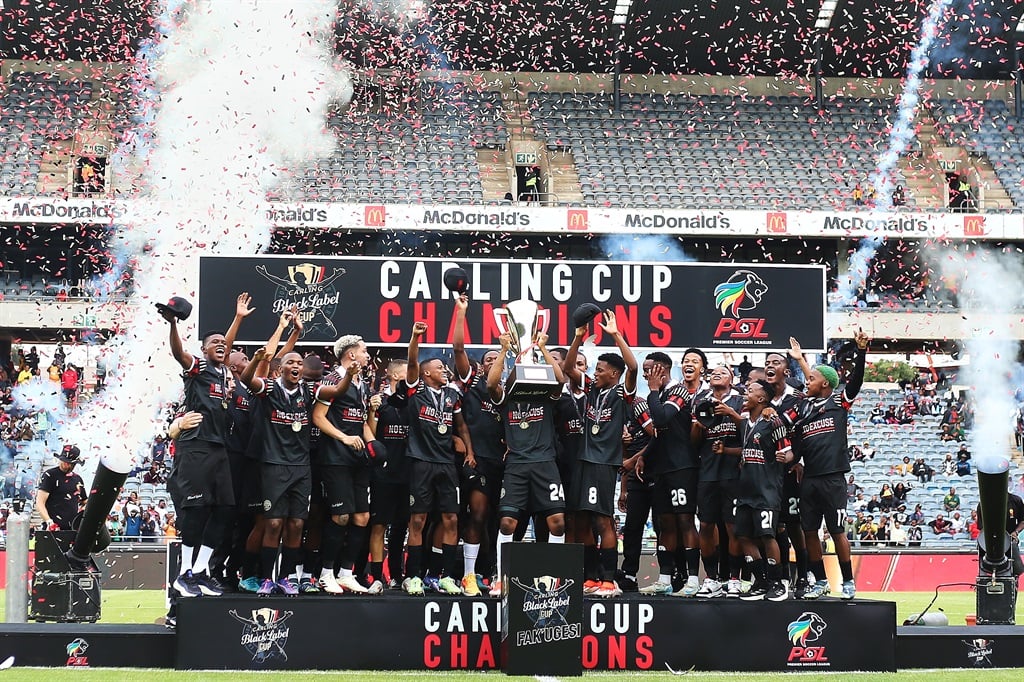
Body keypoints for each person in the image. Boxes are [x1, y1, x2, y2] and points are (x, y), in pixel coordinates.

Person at [782, 330, 868, 600]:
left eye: (812, 379)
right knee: (810, 531)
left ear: (826, 385)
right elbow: (814, 380)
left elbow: (854, 381)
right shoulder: (805, 407)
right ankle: (819, 580)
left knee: (838, 530)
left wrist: (861, 352)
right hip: (809, 479)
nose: (808, 382)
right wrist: (801, 360)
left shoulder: (839, 401)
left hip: (833, 478)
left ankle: (848, 581)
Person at [161, 301, 237, 598]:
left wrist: (237, 318)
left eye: (224, 343)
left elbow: (226, 343)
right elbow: (179, 353)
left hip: (219, 448)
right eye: (215, 343)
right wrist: (173, 324)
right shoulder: (199, 367)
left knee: (225, 509)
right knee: (196, 509)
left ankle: (201, 570)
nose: (222, 345)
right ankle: (183, 575)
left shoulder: (225, 374)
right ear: (204, 350)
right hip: (195, 446)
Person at [562, 310, 638, 598]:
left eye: (600, 369)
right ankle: (591, 577)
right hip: (583, 460)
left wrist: (616, 335)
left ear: (613, 374)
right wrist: (577, 338)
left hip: (604, 462)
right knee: (580, 520)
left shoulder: (621, 393)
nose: (595, 373)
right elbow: (569, 368)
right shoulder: (592, 389)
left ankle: (609, 580)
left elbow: (633, 367)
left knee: (602, 520)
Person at [487, 327, 568, 596]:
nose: (521, 373)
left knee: (557, 522)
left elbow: (560, 380)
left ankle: (556, 577)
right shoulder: (506, 398)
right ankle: (501, 578)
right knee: (507, 523)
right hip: (517, 466)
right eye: (517, 368)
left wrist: (543, 349)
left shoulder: (545, 397)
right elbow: (490, 384)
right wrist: (502, 350)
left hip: (545, 463)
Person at [241, 311, 315, 595]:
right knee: (273, 523)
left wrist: (294, 331)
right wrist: (262, 355)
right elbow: (251, 378)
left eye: (299, 362)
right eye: (290, 362)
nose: (296, 365)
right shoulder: (269, 388)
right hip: (272, 465)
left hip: (301, 467)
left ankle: (287, 578)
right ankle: (265, 577)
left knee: (296, 523)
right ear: (279, 369)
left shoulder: (309, 392)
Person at [400, 321, 475, 596]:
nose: (444, 371)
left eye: (444, 369)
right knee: (418, 520)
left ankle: (443, 576)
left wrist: (468, 450)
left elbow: (462, 426)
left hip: (446, 464)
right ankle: (414, 576)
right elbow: (411, 363)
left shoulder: (452, 396)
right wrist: (415, 337)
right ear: (426, 373)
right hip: (420, 461)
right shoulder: (416, 391)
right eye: (439, 369)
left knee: (451, 520)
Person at [451, 294, 506, 595]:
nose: (491, 362)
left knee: (502, 521)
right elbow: (459, 348)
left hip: (506, 464)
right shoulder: (474, 384)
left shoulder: (509, 391)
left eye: (497, 358)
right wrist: (461, 313)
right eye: (487, 359)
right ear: (481, 367)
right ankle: (469, 575)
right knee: (477, 514)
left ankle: (495, 573)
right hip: (478, 460)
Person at [642, 348, 707, 597]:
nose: (647, 373)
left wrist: (654, 390)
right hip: (662, 468)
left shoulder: (677, 391)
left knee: (685, 521)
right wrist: (644, 457)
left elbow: (661, 419)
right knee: (665, 523)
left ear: (662, 369)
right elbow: (659, 434)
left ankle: (692, 579)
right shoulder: (658, 394)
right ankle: (665, 578)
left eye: (650, 369)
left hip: (683, 466)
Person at [734, 379, 792, 601]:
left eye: (749, 391)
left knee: (767, 536)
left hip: (766, 490)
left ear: (761, 398)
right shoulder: (744, 423)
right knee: (743, 535)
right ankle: (760, 581)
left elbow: (787, 451)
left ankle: (777, 583)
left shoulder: (773, 421)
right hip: (745, 490)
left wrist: (783, 457)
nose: (744, 394)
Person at [691, 364, 745, 598]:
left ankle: (734, 578)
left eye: (723, 372)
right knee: (705, 526)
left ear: (731, 380)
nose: (716, 374)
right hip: (707, 473)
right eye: (713, 372)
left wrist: (731, 415)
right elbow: (693, 442)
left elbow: (750, 433)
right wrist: (698, 426)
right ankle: (711, 578)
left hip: (733, 473)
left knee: (733, 527)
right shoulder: (701, 402)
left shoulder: (740, 401)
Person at [35, 445, 87, 531]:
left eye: (69, 463)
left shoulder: (78, 479)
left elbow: (84, 501)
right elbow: (40, 502)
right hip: (53, 530)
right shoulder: (50, 475)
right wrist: (49, 521)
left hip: (73, 529)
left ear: (74, 464)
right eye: (64, 461)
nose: (65, 465)